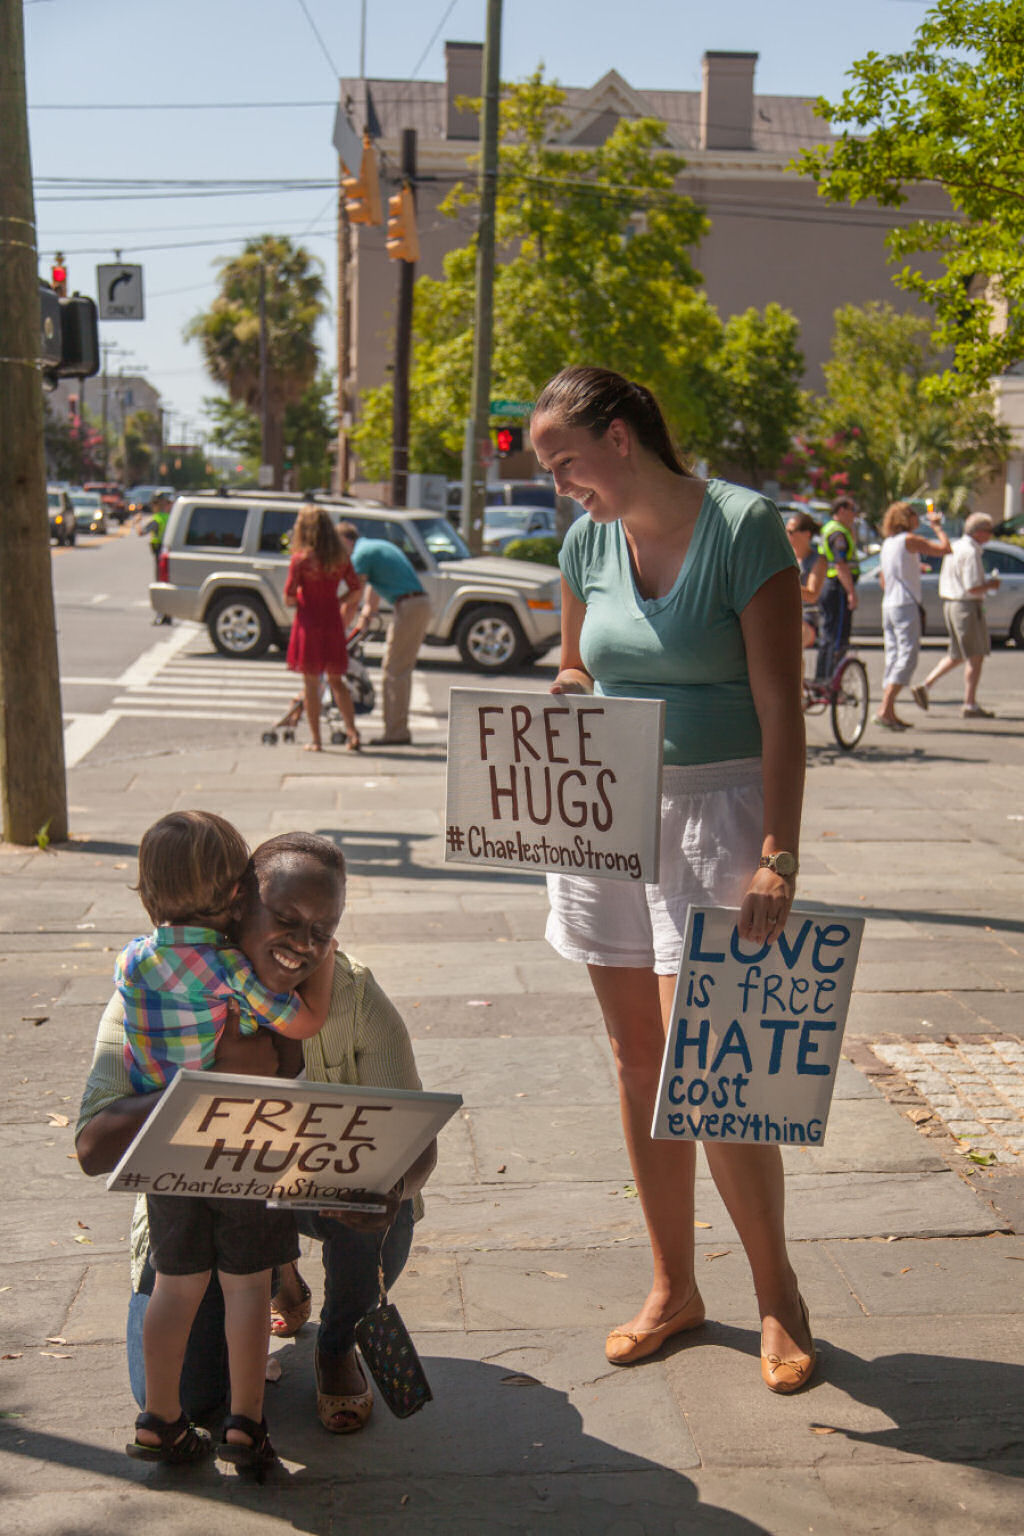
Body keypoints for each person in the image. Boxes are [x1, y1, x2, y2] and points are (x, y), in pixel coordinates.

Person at [530, 366, 814, 1394]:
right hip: (605, 817)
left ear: (618, 436)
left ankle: (776, 1294)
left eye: (565, 460)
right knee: (637, 1062)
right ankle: (672, 1288)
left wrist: (778, 851)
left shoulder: (744, 528)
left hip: (720, 816)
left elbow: (782, 708)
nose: (561, 484)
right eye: (549, 470)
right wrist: (562, 694)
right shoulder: (581, 546)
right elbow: (577, 667)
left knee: (719, 1078)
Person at [76, 831, 437, 1437]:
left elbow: (419, 1144)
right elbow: (92, 1147)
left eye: (322, 931)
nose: (302, 944)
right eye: (286, 920)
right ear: (239, 903)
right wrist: (208, 1082)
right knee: (186, 1401)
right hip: (194, 1215)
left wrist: (391, 1191)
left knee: (382, 1205)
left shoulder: (354, 995)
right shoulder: (162, 983)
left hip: (308, 1190)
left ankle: (335, 1342)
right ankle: (277, 1274)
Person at [115, 812, 335, 1471]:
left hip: (166, 1147)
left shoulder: (134, 958)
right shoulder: (230, 970)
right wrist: (318, 957)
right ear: (237, 894)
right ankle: (245, 1423)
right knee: (246, 1288)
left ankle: (159, 1418)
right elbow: (304, 1020)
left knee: (174, 1289)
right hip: (240, 1139)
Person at [338, 521, 431, 747]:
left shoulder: (360, 554)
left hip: (409, 606)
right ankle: (396, 729)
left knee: (395, 670)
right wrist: (368, 613)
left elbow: (353, 597)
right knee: (397, 668)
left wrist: (337, 631)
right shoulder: (373, 547)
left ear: (346, 541)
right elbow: (370, 586)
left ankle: (396, 732)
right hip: (414, 604)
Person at [285, 505, 363, 753]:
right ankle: (352, 733)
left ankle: (317, 740)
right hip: (331, 620)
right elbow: (355, 590)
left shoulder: (301, 560)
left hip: (309, 620)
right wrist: (338, 601)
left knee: (311, 684)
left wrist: (301, 597)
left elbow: (288, 597)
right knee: (336, 681)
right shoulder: (340, 559)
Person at [874, 501, 951, 730]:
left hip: (889, 603)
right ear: (906, 518)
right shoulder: (909, 540)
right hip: (905, 604)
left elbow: (883, 579)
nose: (918, 519)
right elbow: (945, 549)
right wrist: (937, 526)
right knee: (907, 656)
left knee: (894, 654)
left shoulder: (888, 543)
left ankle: (888, 710)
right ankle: (886, 708)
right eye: (914, 515)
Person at [916, 512, 1001, 719]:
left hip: (953, 603)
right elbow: (972, 587)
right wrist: (991, 584)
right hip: (966, 605)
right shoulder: (970, 552)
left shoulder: (957, 547)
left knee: (959, 653)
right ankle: (969, 703)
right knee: (975, 654)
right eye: (989, 532)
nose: (990, 536)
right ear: (980, 532)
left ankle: (927, 685)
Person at [814, 494, 860, 680]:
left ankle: (824, 679)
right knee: (836, 637)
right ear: (841, 510)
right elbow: (840, 565)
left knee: (828, 635)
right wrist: (851, 592)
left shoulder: (835, 529)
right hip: (837, 589)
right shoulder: (837, 533)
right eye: (852, 510)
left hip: (832, 586)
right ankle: (830, 680)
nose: (854, 515)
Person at [785, 511, 826, 655]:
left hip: (808, 617)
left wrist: (785, 585)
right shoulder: (785, 558)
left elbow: (812, 594)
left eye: (790, 531)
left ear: (806, 534)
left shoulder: (817, 560)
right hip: (784, 614)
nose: (786, 535)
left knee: (791, 640)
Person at [136, 490, 172, 625]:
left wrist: (137, 522)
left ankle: (161, 615)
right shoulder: (170, 518)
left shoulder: (157, 519)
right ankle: (168, 615)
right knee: (167, 584)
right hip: (169, 553)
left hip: (159, 555)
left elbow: (141, 532)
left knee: (160, 585)